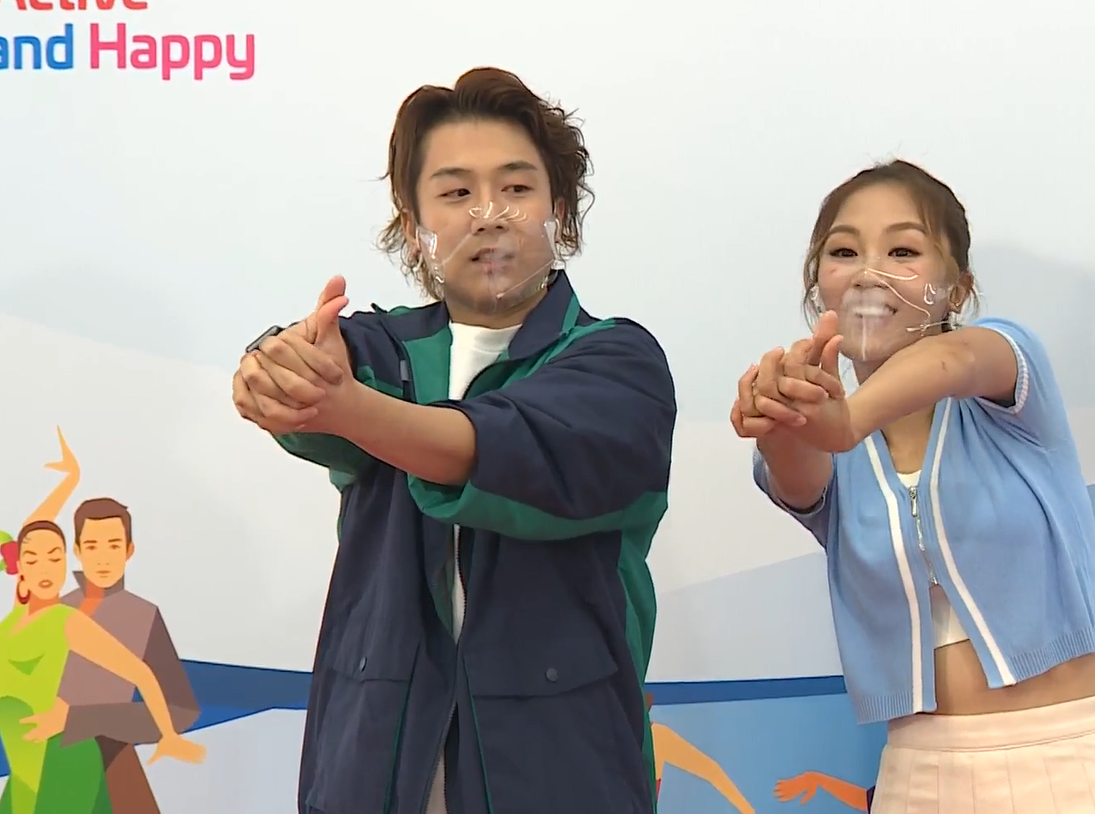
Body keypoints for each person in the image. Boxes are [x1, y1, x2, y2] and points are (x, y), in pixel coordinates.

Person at [230, 67, 676, 814]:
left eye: (516, 188)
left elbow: (501, 446)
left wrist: (348, 408)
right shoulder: (377, 349)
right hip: (371, 766)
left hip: (564, 770)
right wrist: (276, 369)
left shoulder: (617, 362)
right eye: (457, 192)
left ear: (559, 211)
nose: (488, 215)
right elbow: (311, 384)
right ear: (414, 226)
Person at [732, 160, 1095, 813]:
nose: (869, 273)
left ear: (956, 290)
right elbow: (795, 469)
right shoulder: (827, 438)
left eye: (902, 251)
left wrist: (848, 419)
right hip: (916, 777)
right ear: (819, 287)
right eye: (844, 252)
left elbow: (956, 358)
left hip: (1068, 762)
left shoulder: (1007, 377)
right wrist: (778, 409)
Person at [0, 520, 206, 814]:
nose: (45, 570)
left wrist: (169, 736)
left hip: (63, 761)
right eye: (33, 560)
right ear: (20, 566)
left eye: (55, 558)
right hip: (24, 772)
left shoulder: (67, 621)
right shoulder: (11, 623)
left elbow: (141, 673)